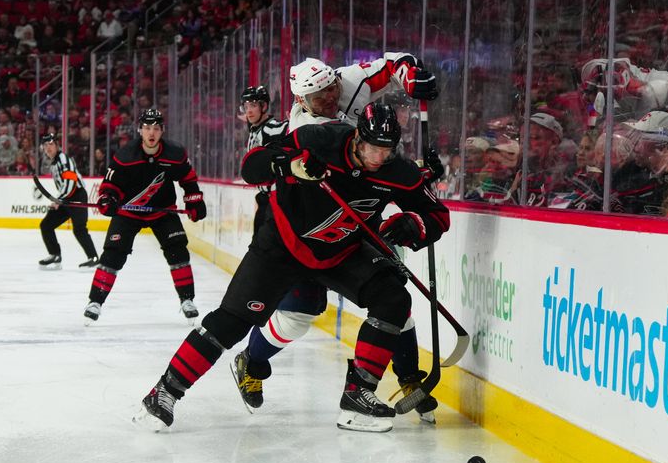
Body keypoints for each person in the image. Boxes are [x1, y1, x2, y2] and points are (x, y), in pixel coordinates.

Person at [135, 103, 450, 433]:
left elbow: (438, 216)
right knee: (232, 322)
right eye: (372, 148)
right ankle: (164, 392)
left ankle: (357, 397)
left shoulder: (396, 171)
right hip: (282, 246)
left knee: (393, 299)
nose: (376, 158)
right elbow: (251, 167)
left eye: (385, 151)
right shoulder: (318, 138)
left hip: (341, 252)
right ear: (357, 137)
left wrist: (413, 224)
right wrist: (289, 164)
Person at [231, 55, 442, 422]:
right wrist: (415, 172)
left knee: (393, 295)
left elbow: (393, 64)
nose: (330, 99)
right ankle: (251, 360)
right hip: (310, 222)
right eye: (318, 97)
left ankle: (408, 378)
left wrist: (409, 76)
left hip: (357, 214)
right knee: (299, 313)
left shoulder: (347, 81)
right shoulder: (307, 128)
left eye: (330, 89)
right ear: (301, 101)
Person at [83, 108, 207, 325]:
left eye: (156, 128)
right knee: (113, 255)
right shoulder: (125, 155)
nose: (152, 133)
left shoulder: (175, 154)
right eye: (147, 128)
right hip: (129, 211)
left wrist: (194, 200)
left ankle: (187, 300)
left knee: (178, 251)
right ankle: (95, 302)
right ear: (140, 130)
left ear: (162, 131)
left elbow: (188, 180)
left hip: (161, 210)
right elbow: (110, 185)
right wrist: (108, 199)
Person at [37, 133, 99, 270]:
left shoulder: (63, 158)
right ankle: (55, 255)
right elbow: (64, 185)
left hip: (77, 196)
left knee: (79, 229)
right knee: (46, 225)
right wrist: (60, 199)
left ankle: (94, 258)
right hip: (65, 199)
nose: (48, 148)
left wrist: (59, 200)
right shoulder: (54, 162)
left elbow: (71, 181)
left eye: (51, 144)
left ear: (57, 145)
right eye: (45, 145)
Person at [240, 85, 289, 233]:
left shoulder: (271, 128)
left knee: (262, 251)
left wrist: (295, 121)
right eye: (246, 106)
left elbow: (284, 129)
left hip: (277, 201)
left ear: (264, 106)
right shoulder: (256, 129)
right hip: (265, 199)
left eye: (253, 105)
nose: (248, 110)